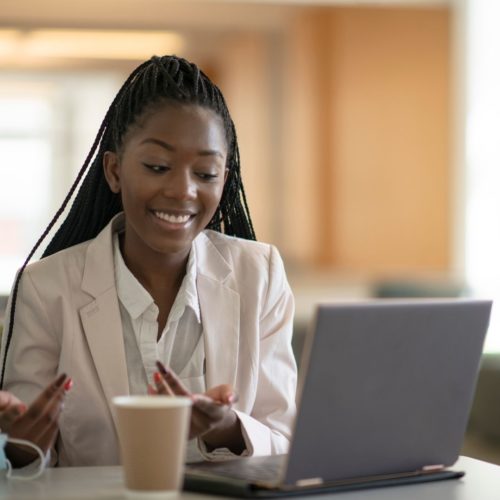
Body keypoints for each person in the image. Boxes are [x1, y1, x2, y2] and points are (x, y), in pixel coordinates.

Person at [0, 55, 297, 467]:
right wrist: (18, 447)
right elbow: (24, 460)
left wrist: (226, 427)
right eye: (158, 166)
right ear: (115, 170)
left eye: (206, 173)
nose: (182, 190)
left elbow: (286, 439)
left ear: (224, 179)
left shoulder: (259, 275)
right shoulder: (46, 289)